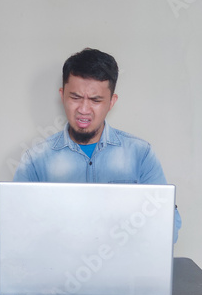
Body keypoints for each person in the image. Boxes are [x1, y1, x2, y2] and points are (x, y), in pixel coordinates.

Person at [14, 48, 181, 242]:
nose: (83, 110)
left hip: (123, 267)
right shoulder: (35, 160)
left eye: (95, 100)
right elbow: (12, 231)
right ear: (62, 96)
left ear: (111, 102)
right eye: (75, 97)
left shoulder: (140, 154)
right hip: (57, 269)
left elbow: (169, 229)